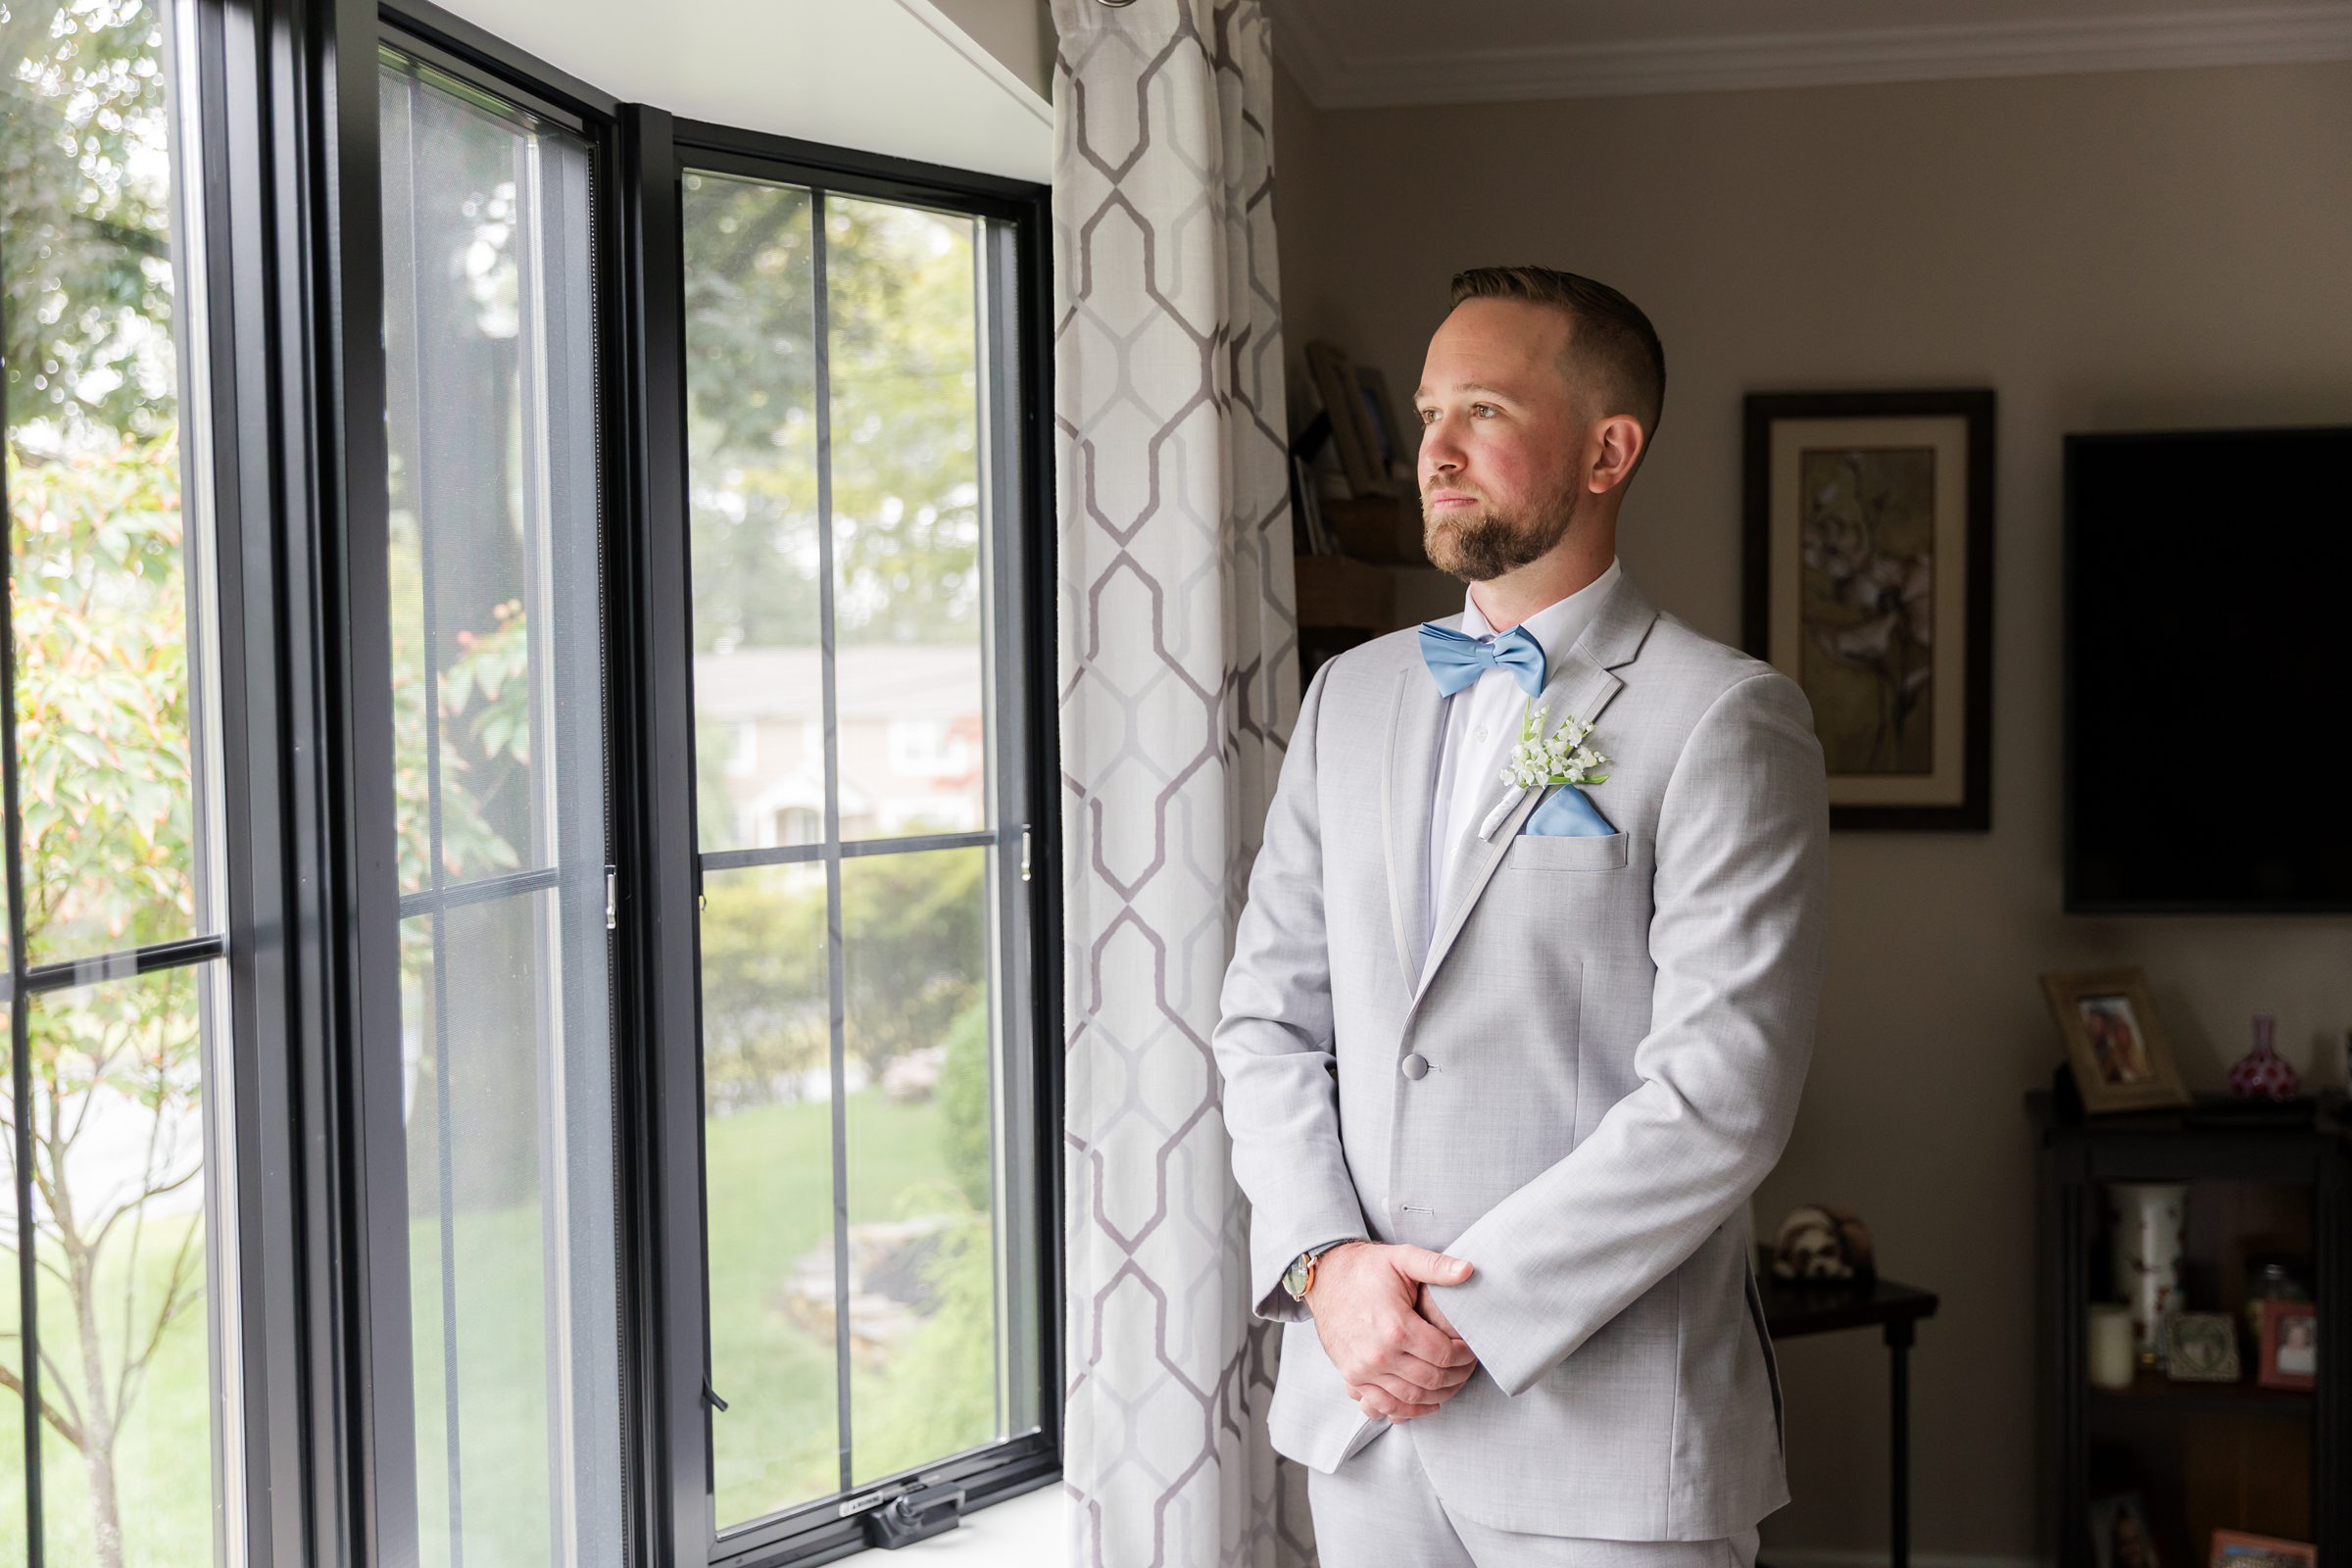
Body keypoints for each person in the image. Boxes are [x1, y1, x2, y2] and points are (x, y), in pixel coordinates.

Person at [1211, 266, 1831, 1566]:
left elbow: (1722, 1094)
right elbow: (1268, 1015)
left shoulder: (1726, 717)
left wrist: (1462, 1317)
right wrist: (1333, 1266)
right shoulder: (1350, 700)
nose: (1432, 450)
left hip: (1609, 1439)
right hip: (1368, 1419)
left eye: (1482, 410)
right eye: (1430, 410)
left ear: (1610, 450)